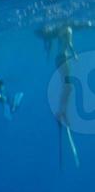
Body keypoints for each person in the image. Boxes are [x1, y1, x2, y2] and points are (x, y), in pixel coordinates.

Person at [39, 19, 93, 167]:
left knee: (68, 86)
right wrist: (74, 54)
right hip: (63, 58)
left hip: (61, 58)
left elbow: (63, 42)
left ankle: (63, 111)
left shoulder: (63, 29)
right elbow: (69, 43)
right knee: (68, 86)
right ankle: (61, 112)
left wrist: (72, 53)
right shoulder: (67, 29)